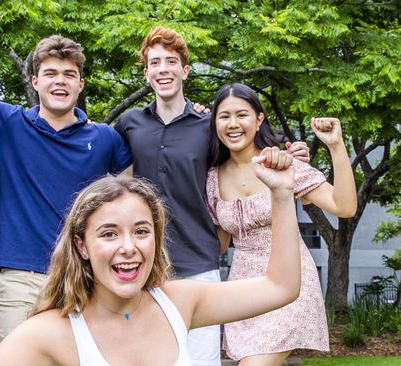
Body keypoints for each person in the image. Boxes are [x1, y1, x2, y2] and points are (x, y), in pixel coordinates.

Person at [0, 158, 301, 366]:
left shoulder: (180, 302)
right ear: (81, 246)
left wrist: (281, 196)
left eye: (142, 231)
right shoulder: (53, 333)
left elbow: (282, 287)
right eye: (109, 233)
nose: (129, 247)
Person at [0, 4, 139, 343]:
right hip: (19, 278)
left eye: (69, 74)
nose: (60, 81)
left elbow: (128, 206)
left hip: (83, 276)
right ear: (36, 81)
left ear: (80, 84)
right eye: (51, 73)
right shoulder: (7, 122)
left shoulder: (105, 138)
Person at [113, 26, 310, 365]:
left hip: (198, 262)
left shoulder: (209, 126)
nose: (163, 69)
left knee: (201, 359)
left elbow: (245, 156)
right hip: (143, 265)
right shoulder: (129, 123)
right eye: (155, 62)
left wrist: (290, 155)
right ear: (146, 72)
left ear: (185, 70)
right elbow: (115, 179)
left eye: (171, 62)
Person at [206, 83, 357, 364]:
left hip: (289, 281)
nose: (233, 124)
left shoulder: (281, 164)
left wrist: (336, 145)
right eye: (224, 116)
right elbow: (220, 243)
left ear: (259, 119)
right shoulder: (211, 178)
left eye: (242, 115)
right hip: (243, 289)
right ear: (214, 122)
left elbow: (344, 206)